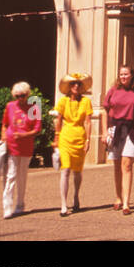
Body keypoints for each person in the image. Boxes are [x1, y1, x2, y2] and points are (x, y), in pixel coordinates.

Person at [102, 64, 134, 214]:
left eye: (126, 74)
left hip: (132, 130)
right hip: (115, 130)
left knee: (127, 164)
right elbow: (105, 111)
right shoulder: (113, 91)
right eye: (121, 74)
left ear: (132, 76)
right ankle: (118, 197)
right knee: (117, 165)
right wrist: (104, 132)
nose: (123, 77)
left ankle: (126, 204)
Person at [0, 81, 42, 219]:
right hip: (12, 146)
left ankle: (20, 204)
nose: (20, 98)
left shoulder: (34, 108)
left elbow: (37, 129)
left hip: (26, 146)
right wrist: (4, 137)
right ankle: (7, 206)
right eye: (17, 96)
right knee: (11, 175)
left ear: (28, 95)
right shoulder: (10, 106)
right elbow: (5, 124)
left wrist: (24, 135)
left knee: (22, 176)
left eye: (23, 95)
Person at [53, 73, 93, 216]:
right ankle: (63, 205)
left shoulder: (86, 102)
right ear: (69, 87)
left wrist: (88, 140)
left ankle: (76, 196)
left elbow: (88, 121)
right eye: (73, 84)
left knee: (77, 171)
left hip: (80, 136)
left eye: (78, 84)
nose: (76, 86)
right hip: (66, 136)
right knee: (65, 169)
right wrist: (56, 137)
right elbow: (58, 120)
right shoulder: (63, 101)